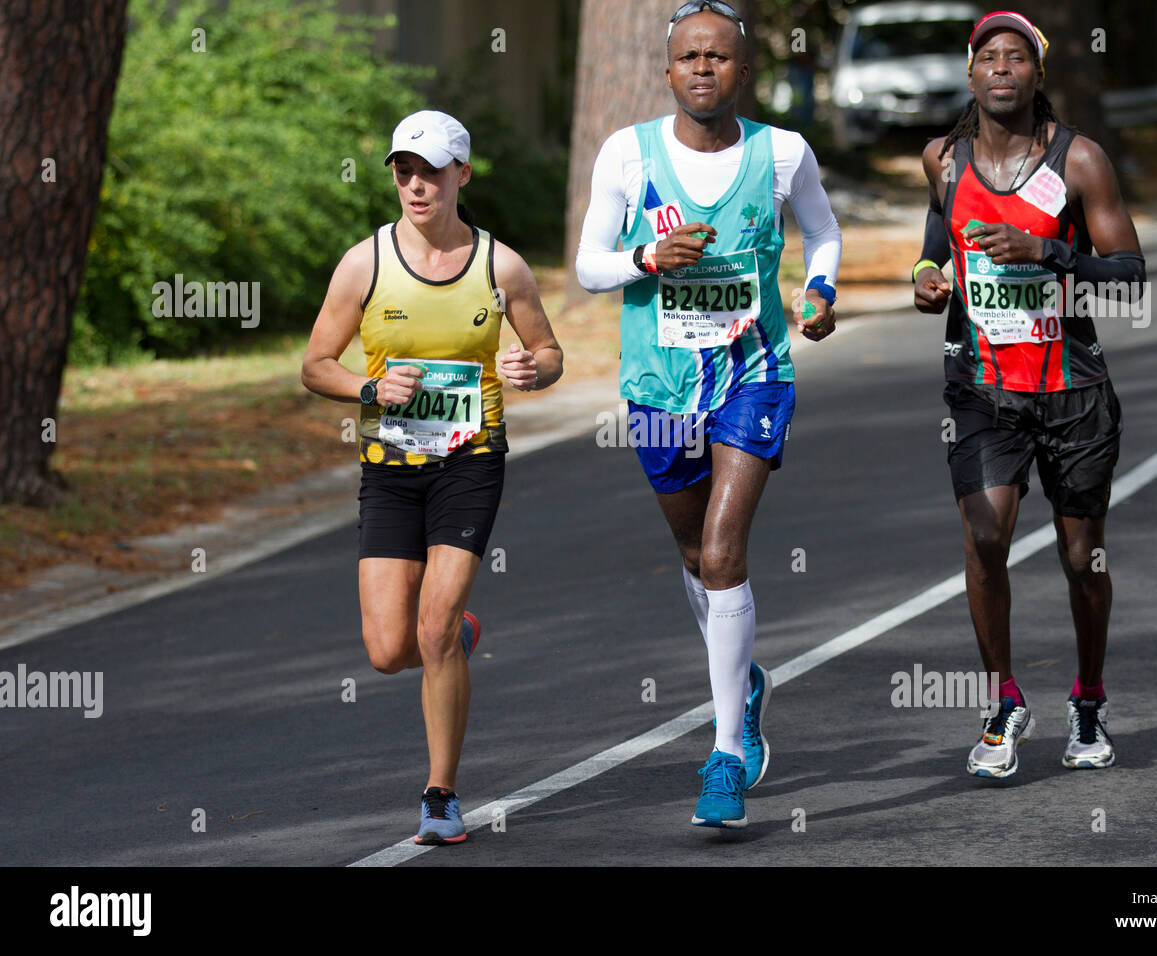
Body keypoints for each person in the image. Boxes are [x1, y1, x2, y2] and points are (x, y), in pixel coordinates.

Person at [575, 0, 841, 828]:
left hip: (752, 375)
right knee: (694, 553)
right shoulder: (628, 154)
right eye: (689, 57)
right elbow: (586, 266)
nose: (702, 69)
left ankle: (726, 751)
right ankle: (746, 682)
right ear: (668, 71)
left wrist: (821, 290)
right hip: (657, 386)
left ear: (741, 70)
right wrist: (646, 257)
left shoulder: (782, 152)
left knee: (725, 550)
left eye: (718, 58)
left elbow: (823, 234)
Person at [302, 110, 563, 843]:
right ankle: (450, 635)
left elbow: (548, 353)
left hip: (470, 462)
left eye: (431, 171)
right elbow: (314, 364)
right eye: (403, 171)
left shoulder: (500, 266)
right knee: (389, 650)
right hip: (389, 468)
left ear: (462, 176)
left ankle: (441, 795)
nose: (415, 185)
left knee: (435, 627)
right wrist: (365, 388)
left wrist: (528, 370)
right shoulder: (364, 263)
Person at [912, 11, 1145, 778]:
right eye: (989, 57)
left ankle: (1088, 699)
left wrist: (1048, 252)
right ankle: (1004, 702)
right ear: (971, 73)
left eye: (1018, 57)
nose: (1002, 68)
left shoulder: (1080, 162)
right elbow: (935, 246)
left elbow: (1129, 276)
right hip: (982, 386)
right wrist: (926, 277)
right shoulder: (943, 160)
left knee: (1082, 557)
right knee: (985, 538)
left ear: (1037, 76)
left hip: (1072, 387)